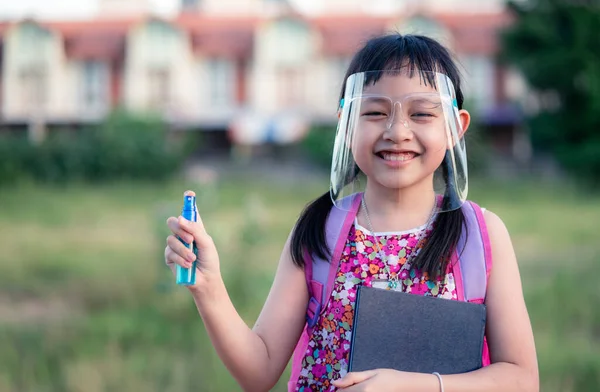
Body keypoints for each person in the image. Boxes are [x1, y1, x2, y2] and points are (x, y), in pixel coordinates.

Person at [164, 33, 539, 392]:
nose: (397, 131)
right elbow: (258, 371)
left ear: (456, 127)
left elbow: (522, 380)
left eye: (422, 114)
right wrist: (208, 286)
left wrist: (414, 386)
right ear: (345, 123)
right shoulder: (319, 230)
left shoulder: (479, 234)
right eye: (375, 111)